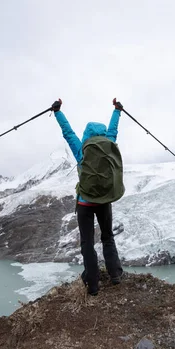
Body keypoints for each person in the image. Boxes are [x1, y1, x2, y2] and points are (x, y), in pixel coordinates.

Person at [51, 98, 124, 296]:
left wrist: (57, 111)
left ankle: (92, 284)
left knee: (87, 242)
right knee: (108, 237)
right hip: (104, 201)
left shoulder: (81, 148)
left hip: (85, 202)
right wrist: (117, 110)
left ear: (86, 135)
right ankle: (115, 275)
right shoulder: (108, 143)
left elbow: (68, 132)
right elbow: (113, 129)